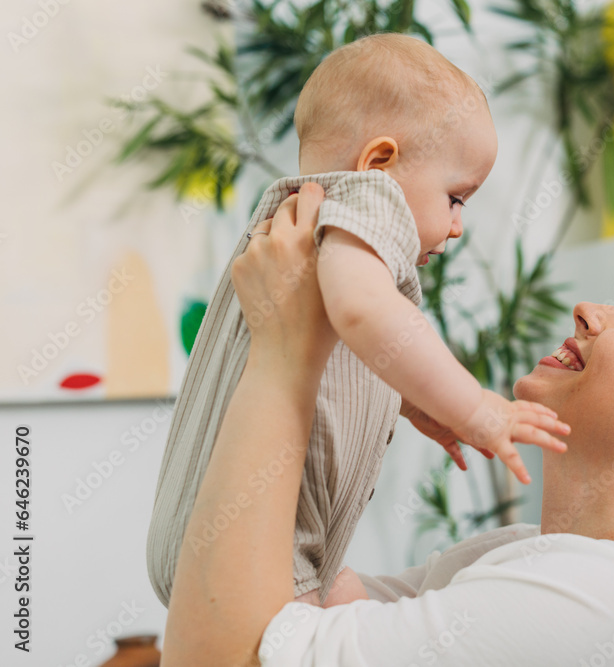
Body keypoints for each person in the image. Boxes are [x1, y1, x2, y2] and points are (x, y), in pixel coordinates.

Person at [161, 187, 614, 667]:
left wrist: (285, 354)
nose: (589, 310)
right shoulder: (542, 560)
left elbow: (230, 655)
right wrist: (357, 379)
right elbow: (299, 605)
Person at [146, 33, 570, 611]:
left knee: (349, 601)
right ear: (379, 161)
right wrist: (473, 405)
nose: (456, 226)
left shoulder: (308, 219)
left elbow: (341, 339)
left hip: (215, 534)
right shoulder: (370, 198)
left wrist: (413, 398)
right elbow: (363, 310)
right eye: (455, 198)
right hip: (267, 547)